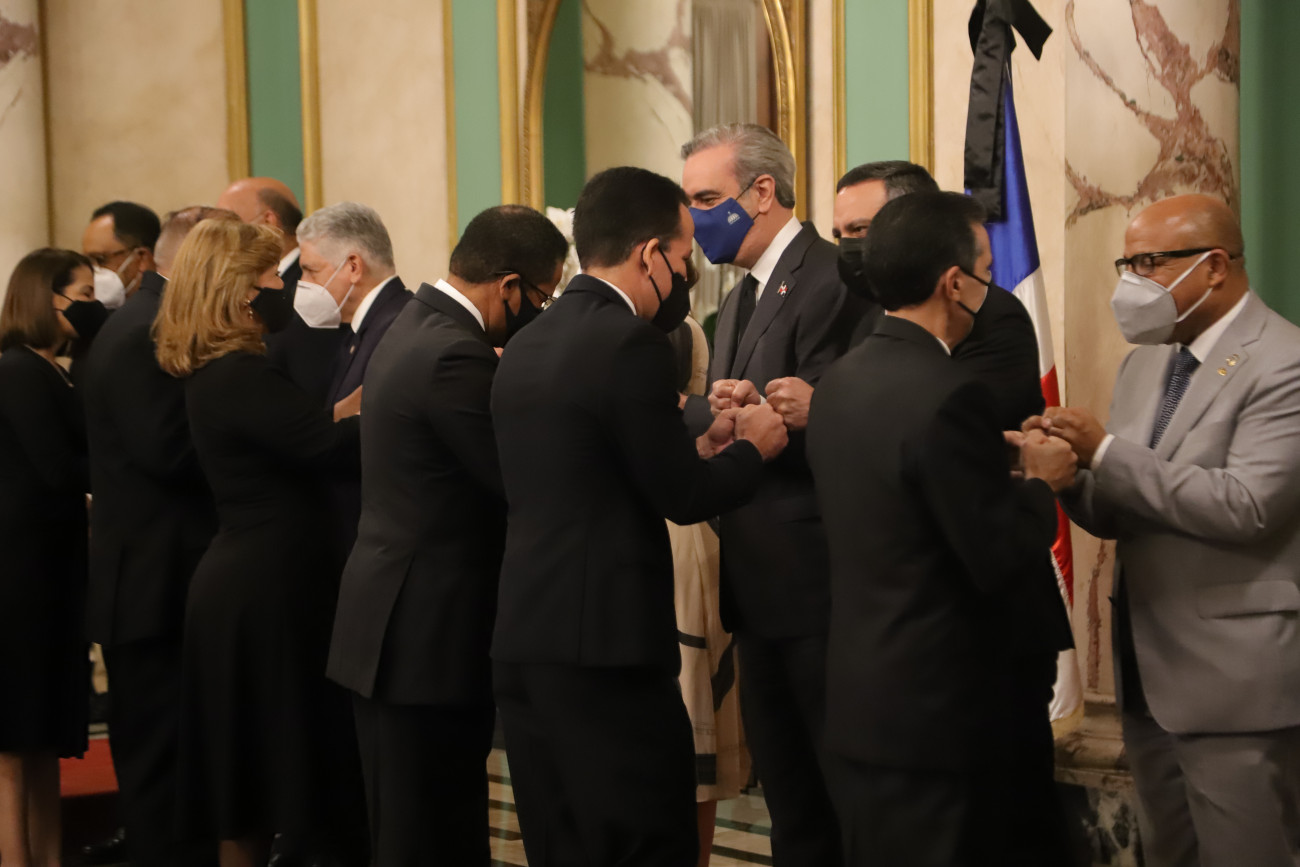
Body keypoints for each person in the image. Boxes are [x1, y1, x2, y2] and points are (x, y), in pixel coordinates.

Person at [491, 166, 788, 866]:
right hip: (608, 648)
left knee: (561, 844)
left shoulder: (529, 338)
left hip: (526, 635)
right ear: (651, 254)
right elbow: (682, 495)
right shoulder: (630, 342)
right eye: (682, 259)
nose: (685, 274)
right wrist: (756, 448)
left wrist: (700, 440)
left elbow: (592, 460)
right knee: (642, 840)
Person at [806, 191, 1077, 866]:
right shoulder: (951, 393)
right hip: (943, 715)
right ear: (954, 283)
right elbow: (994, 553)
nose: (989, 287)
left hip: (864, 701)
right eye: (984, 271)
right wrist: (1041, 481)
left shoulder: (840, 380)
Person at [1048, 194, 1300, 867]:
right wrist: (1069, 475)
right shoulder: (1146, 363)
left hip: (1235, 683)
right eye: (1127, 264)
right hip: (1146, 671)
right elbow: (1126, 504)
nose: (1133, 282)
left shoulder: (1285, 361)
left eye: (1150, 263)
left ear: (1214, 266)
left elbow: (1247, 506)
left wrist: (1104, 451)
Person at [327, 204, 567, 867]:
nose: (540, 312)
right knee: (431, 833)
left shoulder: (414, 324)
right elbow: (515, 479)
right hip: (423, 637)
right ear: (509, 286)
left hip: (391, 622)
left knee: (411, 827)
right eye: (542, 297)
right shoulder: (455, 353)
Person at [154, 220, 365, 867]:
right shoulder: (240, 373)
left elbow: (296, 433)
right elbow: (324, 447)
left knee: (246, 777)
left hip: (248, 579)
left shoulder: (222, 371)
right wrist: (392, 403)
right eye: (273, 275)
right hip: (264, 590)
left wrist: (346, 411)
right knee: (259, 779)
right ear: (242, 290)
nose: (284, 285)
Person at [678, 122, 851, 865]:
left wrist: (774, 420)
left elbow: (844, 417)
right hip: (758, 586)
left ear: (762, 192)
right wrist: (728, 412)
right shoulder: (742, 291)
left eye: (704, 199)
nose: (694, 219)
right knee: (788, 798)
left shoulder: (830, 277)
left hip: (814, 584)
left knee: (833, 797)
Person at [80, 206, 237, 867]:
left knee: (172, 752)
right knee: (157, 756)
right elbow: (167, 452)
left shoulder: (150, 319)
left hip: (159, 573)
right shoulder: (146, 329)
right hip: (153, 580)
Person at [0, 248, 95, 867]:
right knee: (15, 737)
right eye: (82, 295)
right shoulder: (17, 369)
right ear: (47, 298)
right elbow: (57, 468)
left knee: (42, 736)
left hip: (49, 568)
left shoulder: (50, 369)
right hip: (19, 577)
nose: (92, 306)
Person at [665, 315, 751, 867]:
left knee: (692, 701)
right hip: (683, 530)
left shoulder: (684, 329)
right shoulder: (685, 328)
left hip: (685, 534)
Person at [295, 202, 411, 561]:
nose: (303, 284)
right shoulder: (363, 327)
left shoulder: (395, 327)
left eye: (311, 270)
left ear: (353, 267)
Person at [82, 200, 160, 306]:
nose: (92, 271)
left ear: (142, 258)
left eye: (100, 260)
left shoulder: (170, 312)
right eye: (87, 262)